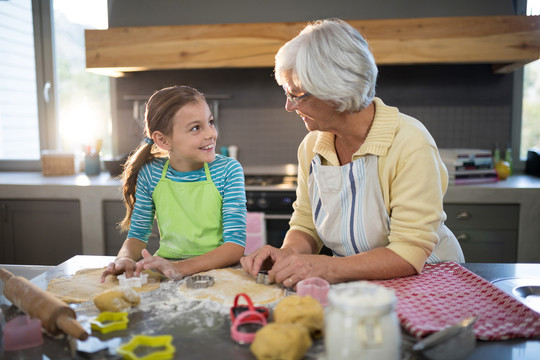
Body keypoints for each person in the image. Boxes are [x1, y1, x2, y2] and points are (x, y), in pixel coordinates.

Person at [241, 18, 464, 287]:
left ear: (335, 92)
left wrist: (326, 266)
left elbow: (408, 253)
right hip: (358, 283)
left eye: (297, 95)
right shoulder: (312, 146)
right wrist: (288, 255)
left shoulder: (410, 144)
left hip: (430, 282)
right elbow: (305, 223)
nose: (289, 106)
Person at [102, 85, 246, 281]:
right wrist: (124, 258)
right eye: (196, 128)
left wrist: (180, 267)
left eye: (210, 122)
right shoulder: (151, 174)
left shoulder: (228, 171)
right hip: (168, 273)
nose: (210, 133)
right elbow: (137, 236)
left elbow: (235, 246)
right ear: (163, 140)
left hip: (220, 273)